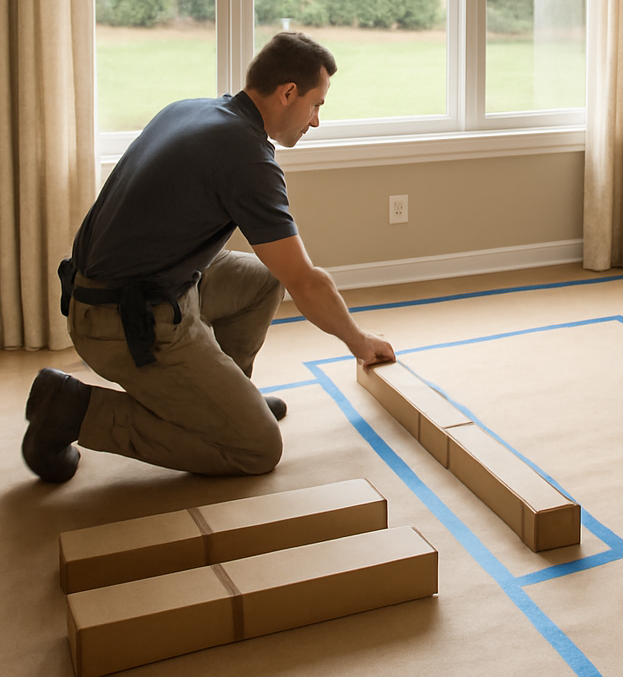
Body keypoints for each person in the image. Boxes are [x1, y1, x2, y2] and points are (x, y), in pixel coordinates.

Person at [22, 31, 395, 483]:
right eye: (316, 105)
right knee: (255, 449)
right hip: (121, 321)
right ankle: (75, 412)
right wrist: (359, 342)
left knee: (261, 279)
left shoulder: (195, 109)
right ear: (287, 92)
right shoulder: (246, 157)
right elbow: (307, 282)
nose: (315, 120)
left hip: (123, 287)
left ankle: (225, 399)